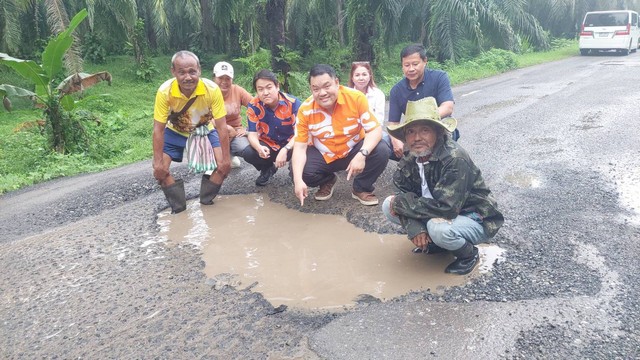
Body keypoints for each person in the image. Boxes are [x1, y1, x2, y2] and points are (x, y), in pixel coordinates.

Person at [382, 97, 503, 275]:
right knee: (388, 204)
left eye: (425, 130)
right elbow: (401, 191)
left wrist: (400, 204)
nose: (417, 138)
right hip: (434, 211)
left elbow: (447, 208)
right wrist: (415, 227)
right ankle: (437, 244)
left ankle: (468, 255)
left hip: (473, 217)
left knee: (437, 228)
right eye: (411, 131)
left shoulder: (454, 158)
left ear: (437, 132)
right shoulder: (411, 157)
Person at [291, 64, 390, 206]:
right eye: (316, 89)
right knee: (297, 171)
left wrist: (362, 154)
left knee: (381, 150)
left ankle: (361, 188)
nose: (322, 93)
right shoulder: (305, 110)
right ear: (311, 89)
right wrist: (297, 181)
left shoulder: (356, 98)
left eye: (327, 86)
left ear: (337, 83)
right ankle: (328, 180)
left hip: (354, 149)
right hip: (324, 153)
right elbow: (299, 147)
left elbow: (375, 130)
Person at [152, 51, 231, 213]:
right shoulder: (164, 91)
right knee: (160, 171)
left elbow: (222, 128)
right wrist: (157, 161)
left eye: (192, 72)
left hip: (205, 129)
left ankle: (206, 200)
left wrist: (226, 159)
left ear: (199, 71)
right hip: (175, 131)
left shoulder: (212, 89)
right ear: (173, 72)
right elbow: (158, 130)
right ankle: (179, 208)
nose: (187, 77)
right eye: (182, 72)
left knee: (223, 166)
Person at [388, 43, 458, 160]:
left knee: (447, 146)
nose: (411, 69)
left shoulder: (439, 77)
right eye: (406, 65)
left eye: (415, 64)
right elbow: (393, 123)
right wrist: (395, 141)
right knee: (385, 146)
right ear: (402, 66)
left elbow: (447, 107)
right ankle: (410, 169)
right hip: (411, 130)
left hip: (436, 125)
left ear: (425, 61)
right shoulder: (396, 90)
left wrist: (423, 119)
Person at [243, 69, 301, 186]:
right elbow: (252, 133)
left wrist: (286, 149)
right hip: (268, 145)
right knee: (248, 153)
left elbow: (300, 133)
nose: (265, 92)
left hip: (291, 145)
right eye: (260, 89)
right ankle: (268, 168)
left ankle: (294, 169)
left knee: (303, 153)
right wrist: (259, 148)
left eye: (269, 87)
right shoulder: (254, 105)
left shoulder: (293, 103)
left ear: (277, 86)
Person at [213, 61, 253, 167]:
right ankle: (217, 159)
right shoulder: (207, 93)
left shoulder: (238, 91)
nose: (224, 82)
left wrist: (249, 129)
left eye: (228, 78)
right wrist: (224, 127)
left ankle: (229, 155)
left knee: (247, 149)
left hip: (236, 133)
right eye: (221, 78)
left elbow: (257, 107)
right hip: (213, 132)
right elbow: (201, 117)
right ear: (214, 78)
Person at [347, 61, 392, 149]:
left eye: (364, 74)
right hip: (351, 133)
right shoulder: (347, 95)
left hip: (372, 130)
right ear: (352, 78)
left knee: (386, 142)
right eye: (357, 75)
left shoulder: (378, 94)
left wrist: (369, 134)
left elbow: (379, 120)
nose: (361, 78)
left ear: (370, 76)